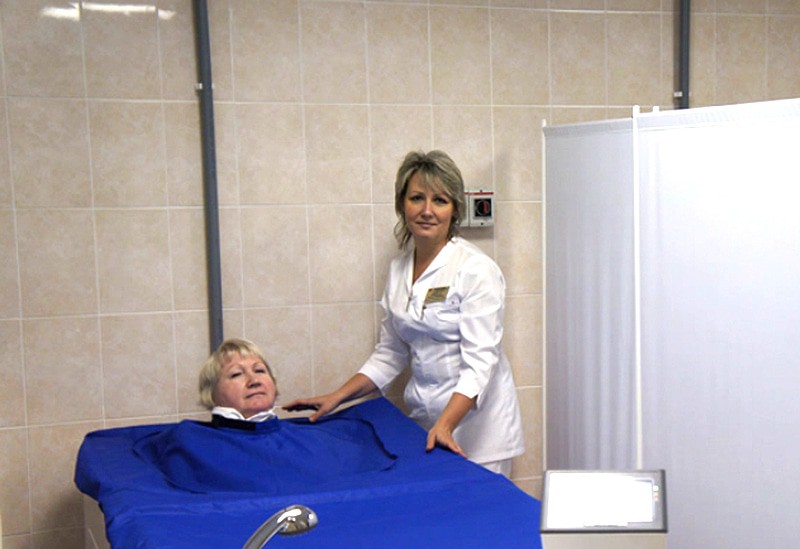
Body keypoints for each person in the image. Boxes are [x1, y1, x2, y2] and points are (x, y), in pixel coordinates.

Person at [284, 150, 524, 477]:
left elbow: (481, 362)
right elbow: (391, 352)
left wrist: (446, 424)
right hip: (427, 424)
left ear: (455, 209)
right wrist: (337, 397)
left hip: (479, 433)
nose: (427, 211)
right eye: (417, 198)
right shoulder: (399, 270)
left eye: (440, 200)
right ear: (402, 204)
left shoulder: (476, 269)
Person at [198, 337, 279, 422]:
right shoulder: (191, 430)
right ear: (211, 393)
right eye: (237, 374)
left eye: (259, 370)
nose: (255, 381)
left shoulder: (289, 427)